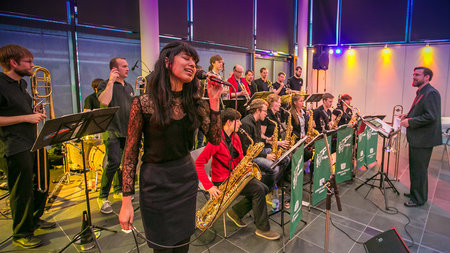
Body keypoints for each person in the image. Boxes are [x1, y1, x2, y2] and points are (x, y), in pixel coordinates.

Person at [118, 41, 222, 252]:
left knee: (183, 245)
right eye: (186, 58)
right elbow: (130, 155)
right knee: (162, 247)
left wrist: (214, 101)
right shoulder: (143, 103)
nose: (192, 64)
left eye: (195, 60)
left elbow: (215, 139)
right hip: (156, 184)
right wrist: (126, 202)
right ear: (167, 62)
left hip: (185, 179)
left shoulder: (193, 102)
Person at [0, 44, 55, 249]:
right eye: (28, 62)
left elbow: (17, 111)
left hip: (32, 140)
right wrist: (26, 116)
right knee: (21, 189)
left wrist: (33, 110)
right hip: (13, 144)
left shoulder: (22, 85)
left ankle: (34, 218)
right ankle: (22, 233)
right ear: (13, 63)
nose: (33, 65)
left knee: (40, 183)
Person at [195, 108, 280, 240]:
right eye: (238, 121)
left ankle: (236, 212)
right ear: (229, 122)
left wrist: (245, 164)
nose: (240, 124)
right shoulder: (215, 140)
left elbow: (240, 157)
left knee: (264, 187)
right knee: (258, 189)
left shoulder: (236, 137)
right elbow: (199, 164)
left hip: (236, 176)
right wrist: (209, 186)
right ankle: (263, 229)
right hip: (222, 181)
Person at [400, 67, 441, 207]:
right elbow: (421, 111)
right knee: (415, 167)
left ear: (427, 77)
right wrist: (408, 115)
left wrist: (410, 122)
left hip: (423, 139)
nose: (414, 77)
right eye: (414, 74)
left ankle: (419, 198)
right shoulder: (422, 92)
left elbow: (431, 116)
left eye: (417, 75)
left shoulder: (431, 93)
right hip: (418, 138)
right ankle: (414, 193)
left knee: (420, 169)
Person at [97, 57, 134, 214]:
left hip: (128, 131)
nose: (128, 68)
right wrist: (111, 82)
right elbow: (104, 101)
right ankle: (103, 196)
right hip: (112, 130)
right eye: (124, 66)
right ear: (115, 69)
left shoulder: (129, 86)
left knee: (125, 163)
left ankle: (119, 190)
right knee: (114, 162)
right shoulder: (105, 84)